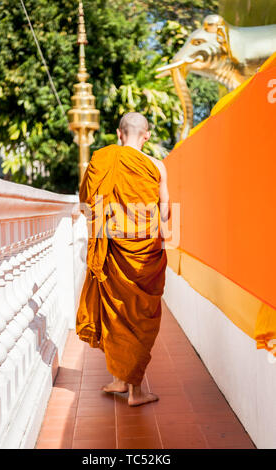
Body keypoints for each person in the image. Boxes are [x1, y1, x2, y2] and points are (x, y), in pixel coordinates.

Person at [76, 112, 170, 406]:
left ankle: (125, 381)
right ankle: (132, 389)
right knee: (139, 317)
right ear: (148, 135)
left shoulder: (101, 159)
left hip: (112, 250)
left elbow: (85, 203)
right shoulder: (156, 166)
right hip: (144, 255)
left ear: (119, 133)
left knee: (115, 313)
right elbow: (164, 212)